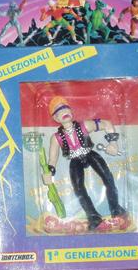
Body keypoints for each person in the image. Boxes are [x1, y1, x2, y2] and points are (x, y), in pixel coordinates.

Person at [43, 97, 129, 231]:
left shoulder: (84, 126)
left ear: (71, 110)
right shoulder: (56, 138)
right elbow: (52, 158)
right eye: (59, 110)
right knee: (79, 189)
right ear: (55, 118)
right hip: (75, 161)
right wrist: (49, 172)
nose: (64, 111)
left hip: (90, 154)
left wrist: (113, 143)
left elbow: (106, 124)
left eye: (65, 108)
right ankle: (93, 217)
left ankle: (116, 209)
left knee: (108, 178)